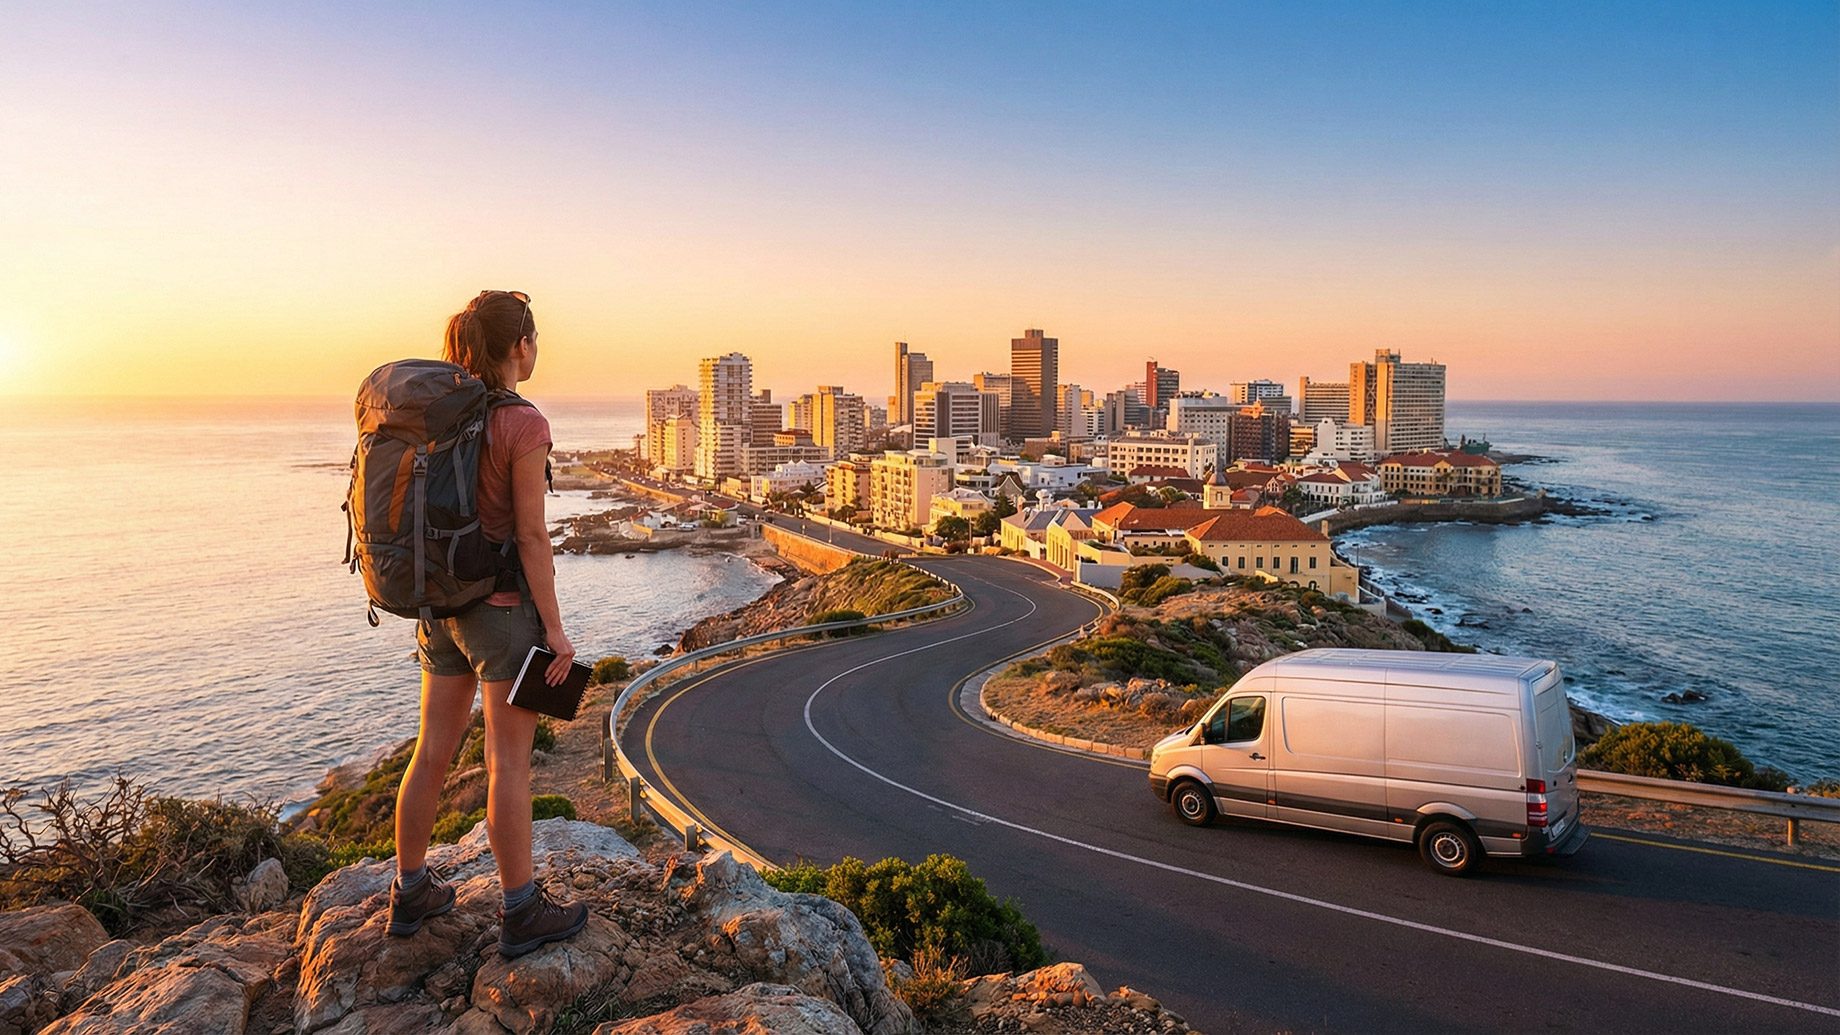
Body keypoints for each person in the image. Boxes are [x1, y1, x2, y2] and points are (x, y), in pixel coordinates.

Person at [385, 289, 588, 957]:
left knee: (431, 751)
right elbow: (531, 536)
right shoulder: (522, 423)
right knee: (508, 765)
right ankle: (521, 909)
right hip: (499, 617)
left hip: (437, 611)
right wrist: (556, 632)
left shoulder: (444, 414)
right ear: (519, 346)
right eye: (535, 339)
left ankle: (410, 888)